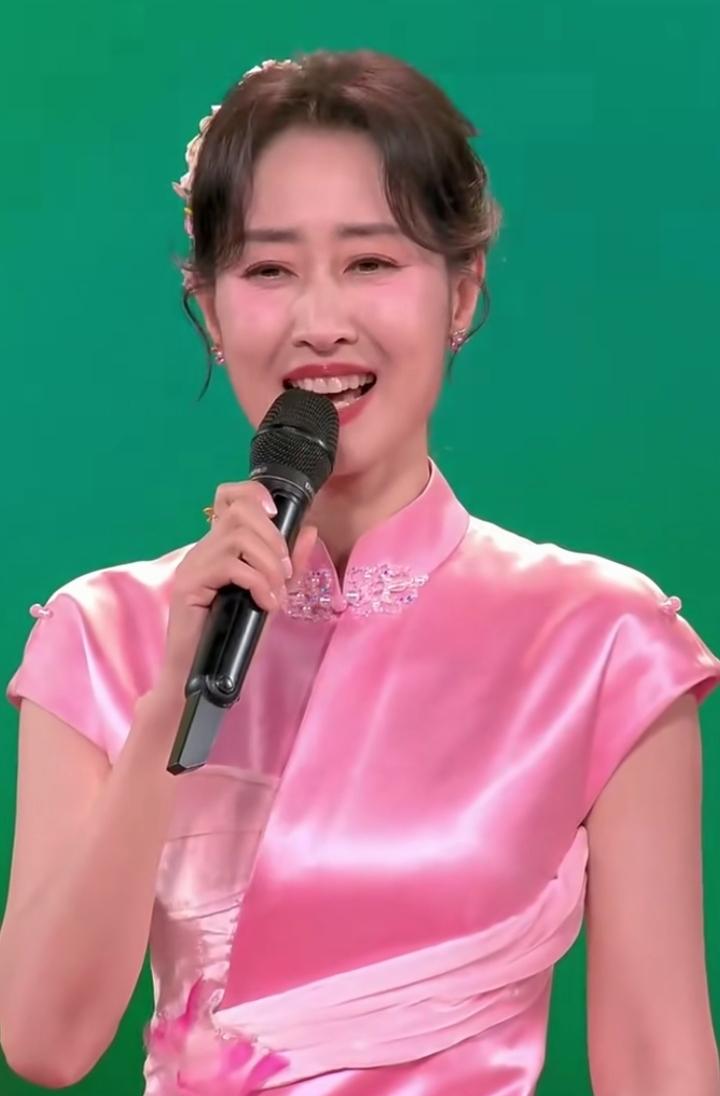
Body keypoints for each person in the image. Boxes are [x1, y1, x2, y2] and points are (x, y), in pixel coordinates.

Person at [1, 47, 719, 1096]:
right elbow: (44, 1043)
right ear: (210, 306)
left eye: (372, 262)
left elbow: (660, 1064)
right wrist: (168, 707)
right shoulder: (101, 630)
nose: (320, 321)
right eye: (269, 270)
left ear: (461, 291)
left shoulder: (605, 640)